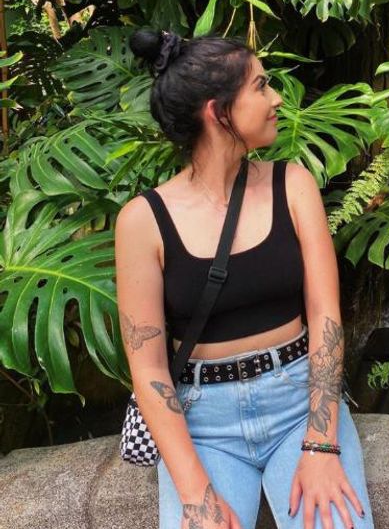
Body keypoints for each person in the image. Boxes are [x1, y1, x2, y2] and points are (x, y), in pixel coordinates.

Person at [113, 29, 373, 529]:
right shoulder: (142, 221)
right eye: (260, 86)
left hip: (298, 403)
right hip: (203, 421)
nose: (276, 99)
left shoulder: (292, 185)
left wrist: (321, 444)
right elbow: (147, 367)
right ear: (218, 111)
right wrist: (195, 494)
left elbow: (325, 316)